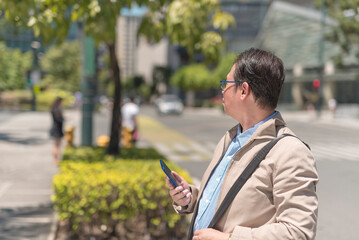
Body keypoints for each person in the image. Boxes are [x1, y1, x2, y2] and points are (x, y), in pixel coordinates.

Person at [166, 48, 319, 240]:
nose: (222, 90)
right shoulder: (230, 138)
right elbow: (226, 202)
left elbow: (299, 232)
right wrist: (190, 197)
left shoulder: (290, 152)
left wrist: (228, 239)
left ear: (244, 90)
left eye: (226, 83)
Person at [50, 97, 64, 164]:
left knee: (57, 145)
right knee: (57, 145)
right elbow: (59, 119)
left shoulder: (54, 108)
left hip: (56, 128)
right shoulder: (56, 109)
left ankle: (56, 159)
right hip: (57, 129)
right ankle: (55, 159)